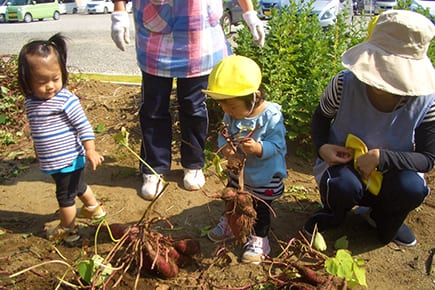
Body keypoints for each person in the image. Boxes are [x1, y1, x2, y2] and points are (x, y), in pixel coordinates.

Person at [110, 0, 265, 201]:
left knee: (194, 107)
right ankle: (153, 167)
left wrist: (249, 12)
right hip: (154, 27)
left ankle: (193, 163)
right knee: (153, 107)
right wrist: (119, 9)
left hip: (199, 33)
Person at [303, 10, 435, 247]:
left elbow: (427, 159)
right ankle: (334, 214)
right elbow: (320, 118)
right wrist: (322, 147)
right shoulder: (344, 84)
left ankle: (383, 217)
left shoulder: (426, 101)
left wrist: (382, 158)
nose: (382, 85)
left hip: (393, 173)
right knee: (341, 186)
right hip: (344, 169)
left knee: (412, 188)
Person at [18, 33, 106, 243]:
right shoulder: (31, 103)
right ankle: (94, 209)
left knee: (65, 197)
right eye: (42, 81)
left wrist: (90, 149)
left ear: (62, 73)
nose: (50, 86)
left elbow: (83, 125)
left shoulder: (65, 99)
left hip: (68, 158)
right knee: (78, 186)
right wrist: (38, 150)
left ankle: (69, 230)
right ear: (28, 81)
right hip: (54, 160)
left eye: (55, 79)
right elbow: (38, 130)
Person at [202, 55, 287, 264]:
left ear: (254, 97)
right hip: (239, 174)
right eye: (223, 106)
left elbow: (278, 146)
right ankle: (231, 226)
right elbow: (224, 133)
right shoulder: (231, 114)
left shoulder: (271, 117)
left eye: (231, 107)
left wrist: (259, 148)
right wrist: (227, 151)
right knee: (232, 200)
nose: (227, 111)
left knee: (259, 210)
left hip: (265, 177)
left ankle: (259, 241)